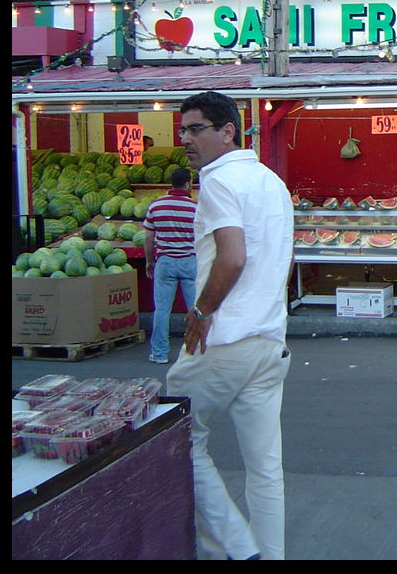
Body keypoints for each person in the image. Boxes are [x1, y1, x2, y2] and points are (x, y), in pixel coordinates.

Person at [165, 91, 294, 560]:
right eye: (182, 130)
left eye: (195, 129)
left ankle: (241, 550)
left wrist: (199, 311)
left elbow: (233, 256)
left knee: (177, 439)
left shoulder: (218, 181)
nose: (185, 139)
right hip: (268, 341)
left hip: (224, 340)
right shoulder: (269, 181)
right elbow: (280, 257)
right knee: (265, 467)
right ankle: (268, 553)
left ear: (227, 132)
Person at [142, 167, 197, 364]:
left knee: (162, 310)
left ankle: (159, 354)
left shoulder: (156, 205)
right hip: (189, 261)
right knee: (194, 310)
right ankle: (196, 351)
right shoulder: (194, 207)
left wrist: (150, 261)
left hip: (165, 262)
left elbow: (148, 236)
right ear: (188, 183)